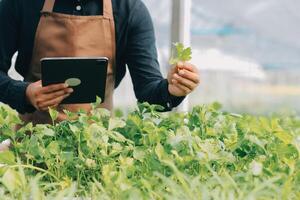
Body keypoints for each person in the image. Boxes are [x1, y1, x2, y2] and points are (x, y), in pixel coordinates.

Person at [0, 0, 200, 124]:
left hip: (98, 150)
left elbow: (148, 92)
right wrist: (25, 93)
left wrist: (172, 90)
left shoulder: (129, 9)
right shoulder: (20, 3)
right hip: (31, 145)